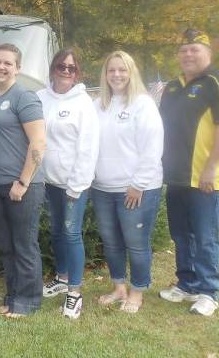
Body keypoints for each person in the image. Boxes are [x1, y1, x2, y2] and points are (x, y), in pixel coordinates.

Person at [158, 29, 219, 316]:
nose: (188, 54)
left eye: (195, 49)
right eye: (184, 50)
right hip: (176, 176)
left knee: (205, 237)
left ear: (209, 53)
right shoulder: (172, 86)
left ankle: (208, 291)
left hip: (205, 177)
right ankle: (187, 284)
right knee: (181, 235)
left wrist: (212, 167)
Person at [91, 51, 164, 314]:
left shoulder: (143, 104)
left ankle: (137, 291)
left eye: (122, 70)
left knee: (136, 241)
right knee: (111, 241)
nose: (117, 75)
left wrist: (139, 183)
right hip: (102, 188)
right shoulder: (98, 104)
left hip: (137, 188)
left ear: (131, 72)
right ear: (105, 74)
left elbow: (152, 148)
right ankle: (118, 287)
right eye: (111, 70)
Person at [0, 43, 46, 318]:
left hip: (22, 186)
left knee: (24, 244)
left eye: (8, 63)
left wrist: (23, 182)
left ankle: (29, 300)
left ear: (18, 68)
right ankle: (13, 295)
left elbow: (38, 142)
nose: (2, 67)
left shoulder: (25, 97)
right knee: (7, 246)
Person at [36, 49, 99, 319]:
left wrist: (77, 185)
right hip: (49, 181)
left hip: (74, 183)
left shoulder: (84, 103)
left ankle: (74, 292)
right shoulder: (40, 97)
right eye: (61, 66)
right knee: (57, 231)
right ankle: (61, 278)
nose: (65, 71)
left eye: (71, 68)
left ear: (77, 73)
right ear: (53, 68)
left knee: (72, 234)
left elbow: (88, 148)